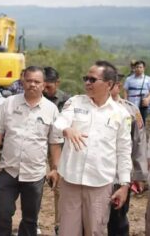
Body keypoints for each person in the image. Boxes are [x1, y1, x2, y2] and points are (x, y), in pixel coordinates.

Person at [53, 60, 132, 236]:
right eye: (86, 78)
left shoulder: (121, 114)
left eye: (92, 79)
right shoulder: (75, 102)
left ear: (109, 84)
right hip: (70, 180)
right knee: (67, 232)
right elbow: (58, 123)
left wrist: (124, 185)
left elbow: (124, 151)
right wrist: (67, 129)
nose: (87, 83)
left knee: (95, 231)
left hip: (100, 183)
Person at [0, 66, 63, 236]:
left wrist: (55, 169)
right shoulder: (9, 103)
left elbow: (55, 142)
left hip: (34, 174)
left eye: (37, 82)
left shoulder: (51, 109)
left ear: (43, 85)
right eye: (29, 81)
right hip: (8, 170)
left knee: (30, 219)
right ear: (23, 82)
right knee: (2, 214)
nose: (32, 85)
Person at [108, 73, 148, 236]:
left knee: (118, 215)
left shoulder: (131, 109)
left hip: (121, 171)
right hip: (95, 171)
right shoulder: (90, 108)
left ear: (118, 85)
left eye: (114, 84)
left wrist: (139, 174)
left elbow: (139, 142)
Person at [42, 66, 70, 235]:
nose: (44, 90)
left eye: (49, 87)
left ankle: (59, 225)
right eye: (43, 86)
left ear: (57, 83)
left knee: (58, 187)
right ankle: (34, 222)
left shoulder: (68, 101)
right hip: (38, 147)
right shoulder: (37, 98)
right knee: (34, 186)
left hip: (59, 149)